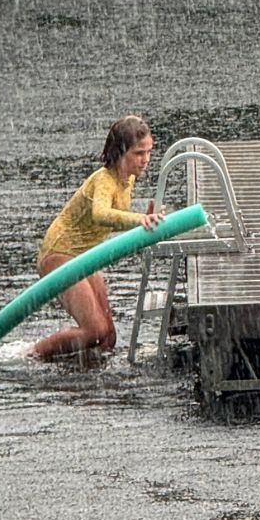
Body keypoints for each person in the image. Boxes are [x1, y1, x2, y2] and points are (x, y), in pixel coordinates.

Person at [32, 115, 163, 360]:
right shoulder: (104, 179)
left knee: (108, 337)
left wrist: (144, 223)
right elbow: (101, 214)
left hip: (87, 255)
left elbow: (114, 218)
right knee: (94, 331)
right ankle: (30, 355)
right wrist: (139, 220)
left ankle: (94, 386)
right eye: (138, 153)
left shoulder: (128, 178)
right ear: (120, 152)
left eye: (149, 152)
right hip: (60, 254)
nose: (146, 160)